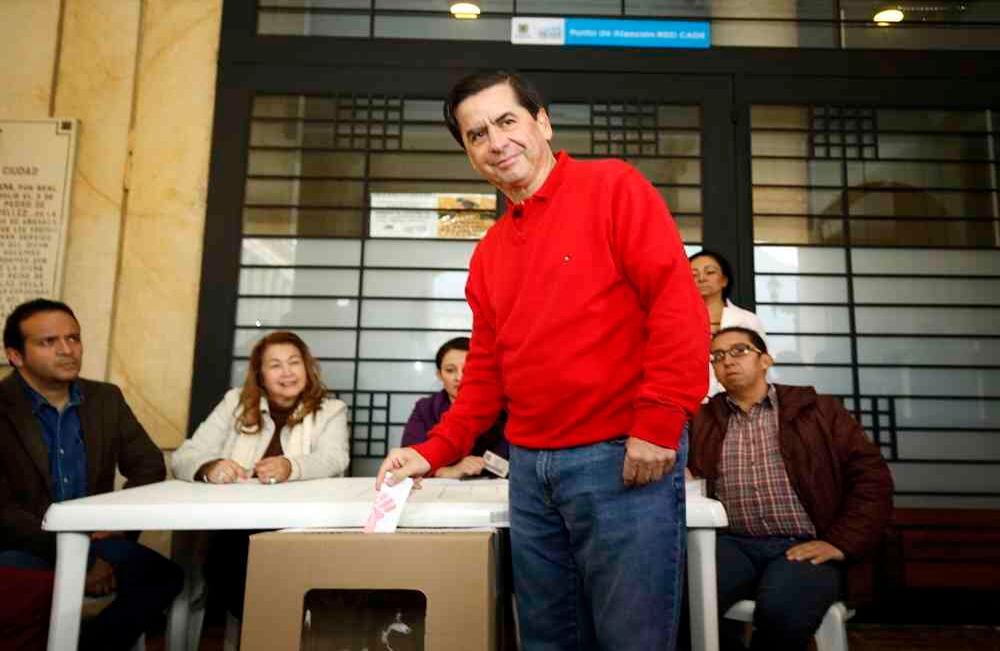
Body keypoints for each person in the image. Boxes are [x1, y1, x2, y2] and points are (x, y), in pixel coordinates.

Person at [376, 70, 709, 650]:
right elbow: (484, 375)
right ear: (469, 154)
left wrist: (659, 421)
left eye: (507, 121)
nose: (496, 142)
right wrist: (430, 451)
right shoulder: (488, 254)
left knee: (633, 639)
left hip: (622, 455)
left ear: (542, 123)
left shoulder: (614, 187)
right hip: (530, 471)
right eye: (476, 135)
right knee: (548, 639)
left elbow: (676, 306)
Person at [688, 326, 893, 651]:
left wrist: (839, 542)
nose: (727, 361)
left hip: (805, 543)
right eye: (717, 356)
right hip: (732, 543)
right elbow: (687, 473)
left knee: (783, 611)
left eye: (739, 351)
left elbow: (872, 479)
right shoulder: (704, 420)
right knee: (682, 599)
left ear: (765, 360)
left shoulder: (818, 411)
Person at [0, 298, 182, 651]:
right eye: (48, 342)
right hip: (21, 542)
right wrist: (77, 556)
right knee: (20, 587)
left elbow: (148, 465)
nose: (67, 351)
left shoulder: (105, 399)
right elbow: (2, 509)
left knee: (163, 577)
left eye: (74, 338)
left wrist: (117, 526)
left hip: (99, 540)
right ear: (15, 355)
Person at [172, 330, 350, 618]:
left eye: (294, 362)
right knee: (232, 563)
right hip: (236, 525)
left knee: (288, 572)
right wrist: (210, 466)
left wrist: (291, 466)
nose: (287, 372)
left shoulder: (331, 410)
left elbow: (335, 459)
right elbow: (184, 456)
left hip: (300, 525)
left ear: (307, 368)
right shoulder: (235, 403)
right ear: (260, 374)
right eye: (275, 365)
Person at [401, 336, 507, 479]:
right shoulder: (425, 408)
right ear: (439, 374)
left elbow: (514, 461)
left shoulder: (501, 409)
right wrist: (450, 471)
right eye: (450, 370)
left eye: (468, 370)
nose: (459, 377)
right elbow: (410, 458)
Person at [689, 249, 767, 397]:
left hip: (738, 399)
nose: (701, 278)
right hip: (691, 399)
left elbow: (761, 363)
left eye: (710, 272)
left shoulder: (748, 319)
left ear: (724, 280)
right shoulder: (675, 320)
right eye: (693, 275)